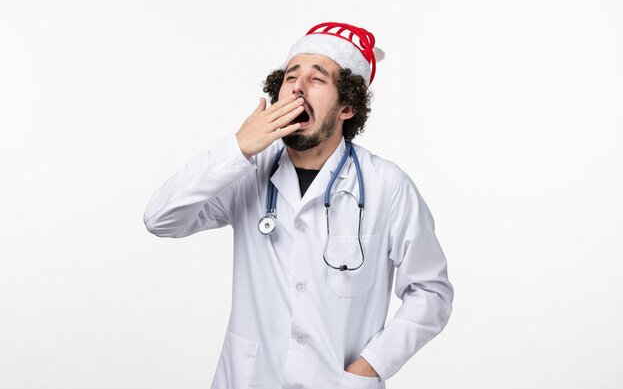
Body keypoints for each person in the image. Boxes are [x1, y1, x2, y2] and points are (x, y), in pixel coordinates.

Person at [143, 22, 453, 389]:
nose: (297, 87)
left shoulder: (387, 185)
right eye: (291, 76)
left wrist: (372, 365)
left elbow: (432, 291)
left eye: (317, 79)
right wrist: (237, 147)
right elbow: (160, 219)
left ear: (347, 107)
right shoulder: (246, 170)